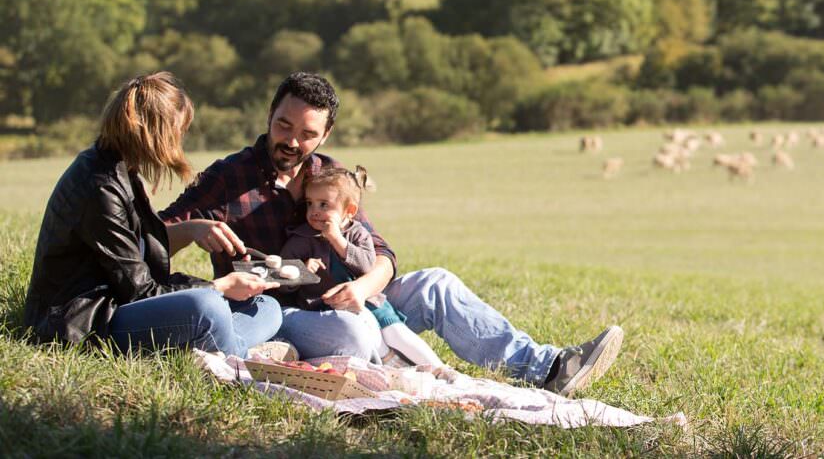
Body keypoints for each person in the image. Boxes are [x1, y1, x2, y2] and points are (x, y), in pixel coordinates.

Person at [161, 72, 623, 396]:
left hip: (350, 299)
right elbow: (155, 237)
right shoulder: (228, 176)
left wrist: (362, 286)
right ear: (269, 114)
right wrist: (197, 228)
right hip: (277, 311)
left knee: (435, 283)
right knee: (355, 331)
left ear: (325, 134)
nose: (293, 141)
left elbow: (381, 254)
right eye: (284, 125)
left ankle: (550, 369)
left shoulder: (331, 175)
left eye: (307, 133)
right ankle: (305, 356)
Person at [23, 72, 283, 359]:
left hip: (119, 304)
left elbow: (139, 268)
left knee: (266, 307)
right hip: (88, 322)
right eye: (179, 130)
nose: (180, 140)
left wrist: (191, 232)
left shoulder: (121, 170)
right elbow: (140, 291)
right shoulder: (99, 186)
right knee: (207, 307)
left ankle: (219, 347)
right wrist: (218, 286)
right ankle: (235, 361)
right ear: (158, 131)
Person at [280, 164, 444, 368]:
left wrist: (337, 239)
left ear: (349, 211)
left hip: (369, 300)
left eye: (324, 205)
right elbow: (282, 279)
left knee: (396, 333)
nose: (314, 211)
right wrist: (302, 270)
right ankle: (393, 367)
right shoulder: (302, 239)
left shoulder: (358, 233)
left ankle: (440, 369)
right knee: (370, 335)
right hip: (328, 311)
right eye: (310, 204)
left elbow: (367, 266)